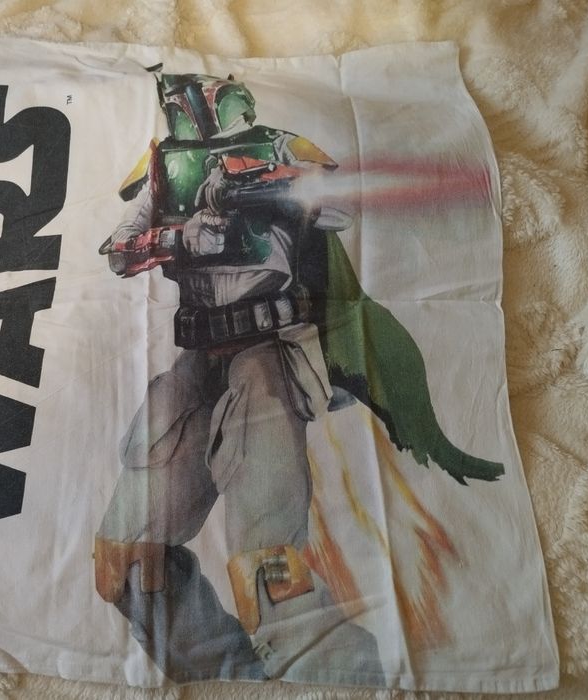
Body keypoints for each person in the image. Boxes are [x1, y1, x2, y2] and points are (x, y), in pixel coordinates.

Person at [94, 71, 385, 683]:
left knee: (268, 573)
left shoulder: (281, 146)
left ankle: (342, 682)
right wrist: (181, 236)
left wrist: (275, 191)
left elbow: (341, 206)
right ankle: (225, 680)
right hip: (199, 362)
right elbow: (120, 251)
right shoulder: (166, 169)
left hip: (266, 355)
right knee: (126, 562)